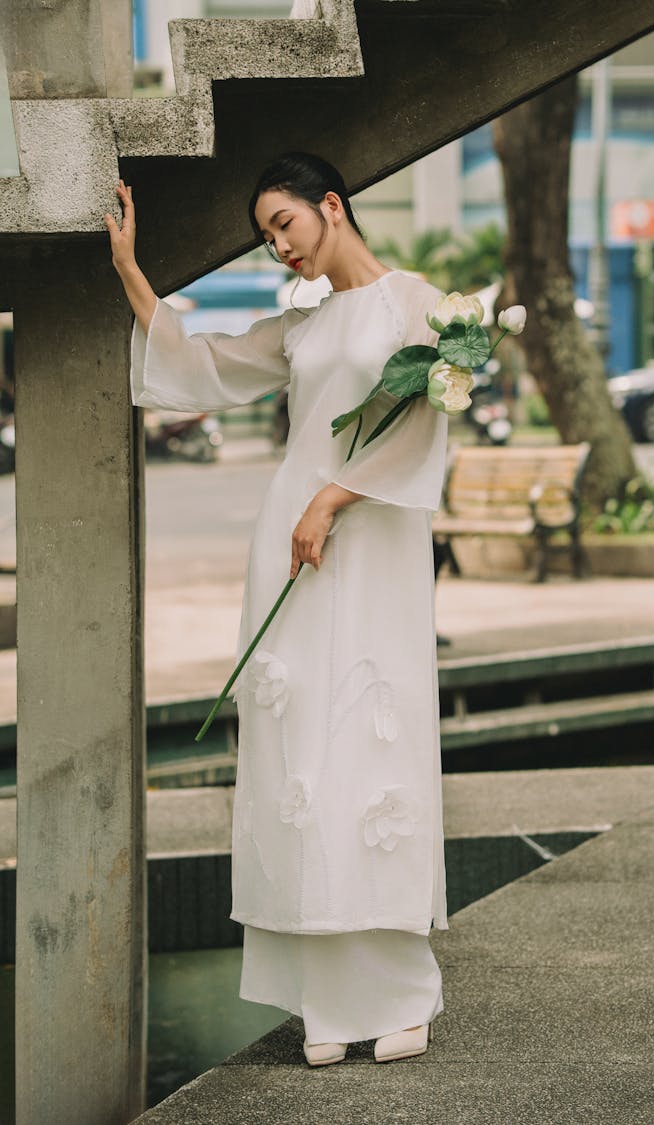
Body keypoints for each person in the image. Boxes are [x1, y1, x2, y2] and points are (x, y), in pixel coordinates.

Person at [105, 152, 449, 1067]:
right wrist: (131, 272)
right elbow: (203, 365)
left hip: (363, 540)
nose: (279, 248)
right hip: (291, 550)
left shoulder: (418, 303)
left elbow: (420, 420)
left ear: (330, 206)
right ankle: (326, 1000)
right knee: (306, 754)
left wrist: (332, 500)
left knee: (373, 745)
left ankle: (403, 992)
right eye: (266, 238)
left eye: (284, 225)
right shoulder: (304, 325)